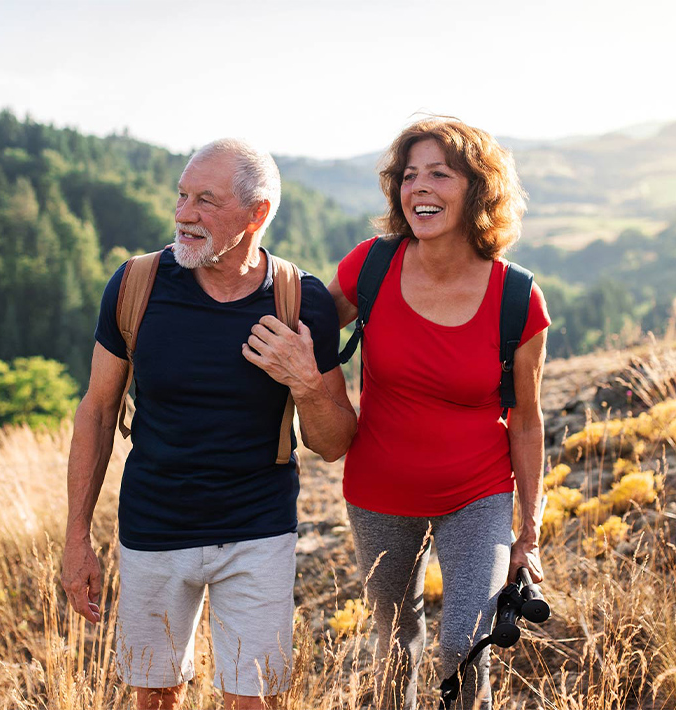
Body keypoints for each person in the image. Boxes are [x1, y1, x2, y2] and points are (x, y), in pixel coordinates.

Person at [61, 138, 357, 710]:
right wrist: (77, 538)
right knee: (154, 694)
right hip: (153, 526)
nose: (183, 214)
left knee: (254, 700)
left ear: (257, 214)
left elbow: (335, 442)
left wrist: (306, 380)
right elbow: (97, 411)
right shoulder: (135, 286)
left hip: (258, 529)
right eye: (181, 195)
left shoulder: (302, 300)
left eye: (205, 200)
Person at [327, 118, 550, 710]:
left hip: (478, 494)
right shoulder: (370, 267)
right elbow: (307, 334)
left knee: (464, 642)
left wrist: (529, 525)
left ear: (477, 189)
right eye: (409, 175)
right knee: (396, 641)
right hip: (378, 491)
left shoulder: (516, 296)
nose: (419, 187)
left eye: (439, 175)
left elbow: (526, 421)